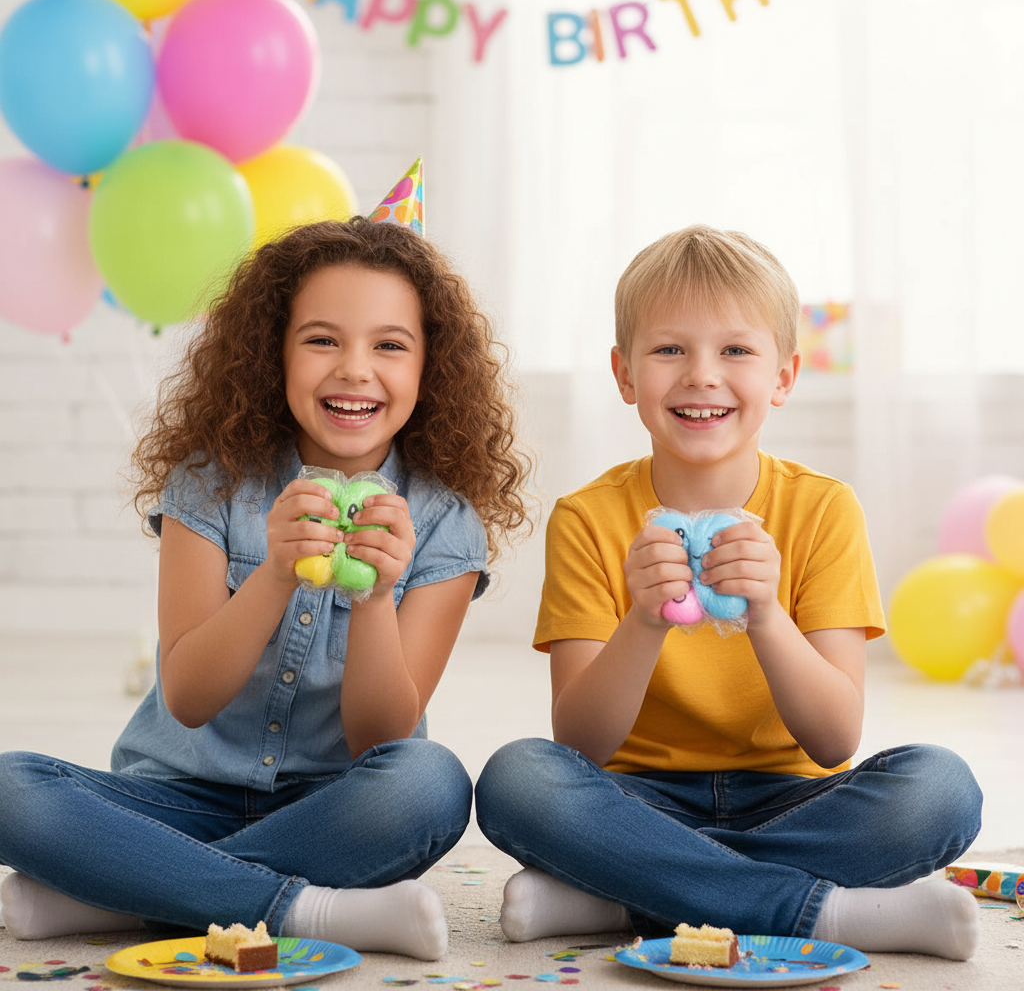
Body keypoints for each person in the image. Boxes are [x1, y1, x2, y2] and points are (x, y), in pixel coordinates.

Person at [0, 212, 531, 961]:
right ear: (271, 355)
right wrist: (276, 575)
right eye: (322, 339)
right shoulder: (211, 484)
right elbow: (188, 697)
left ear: (429, 368)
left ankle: (130, 890)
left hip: (330, 808)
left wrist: (376, 596)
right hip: (174, 800)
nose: (354, 368)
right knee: (10, 788)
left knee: (429, 784)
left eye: (389, 345)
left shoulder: (446, 523)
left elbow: (382, 738)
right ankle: (304, 908)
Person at [475, 224, 983, 961]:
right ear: (624, 374)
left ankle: (620, 893)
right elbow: (580, 744)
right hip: (638, 798)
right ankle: (828, 914)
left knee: (941, 788)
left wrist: (768, 614)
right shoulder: (588, 516)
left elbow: (835, 738)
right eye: (669, 349)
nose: (701, 375)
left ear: (783, 376)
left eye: (736, 350)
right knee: (517, 779)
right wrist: (644, 621)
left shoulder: (824, 508)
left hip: (795, 798)